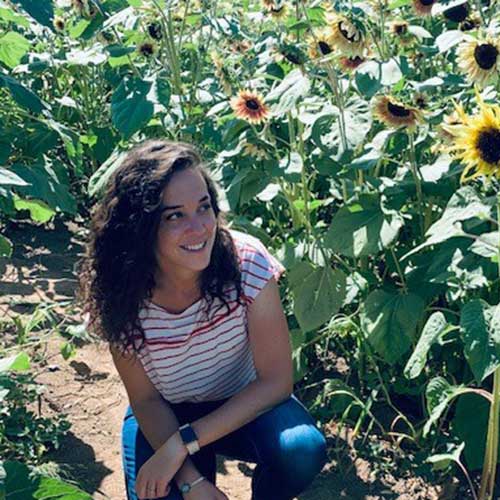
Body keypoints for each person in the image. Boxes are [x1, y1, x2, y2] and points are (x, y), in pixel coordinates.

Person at [78, 139, 327, 500]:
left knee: (300, 449)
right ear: (140, 227)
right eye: (174, 215)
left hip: (244, 404)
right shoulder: (119, 294)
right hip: (164, 414)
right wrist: (191, 482)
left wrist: (185, 443)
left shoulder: (247, 264)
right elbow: (146, 400)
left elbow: (276, 383)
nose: (199, 228)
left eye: (204, 207)